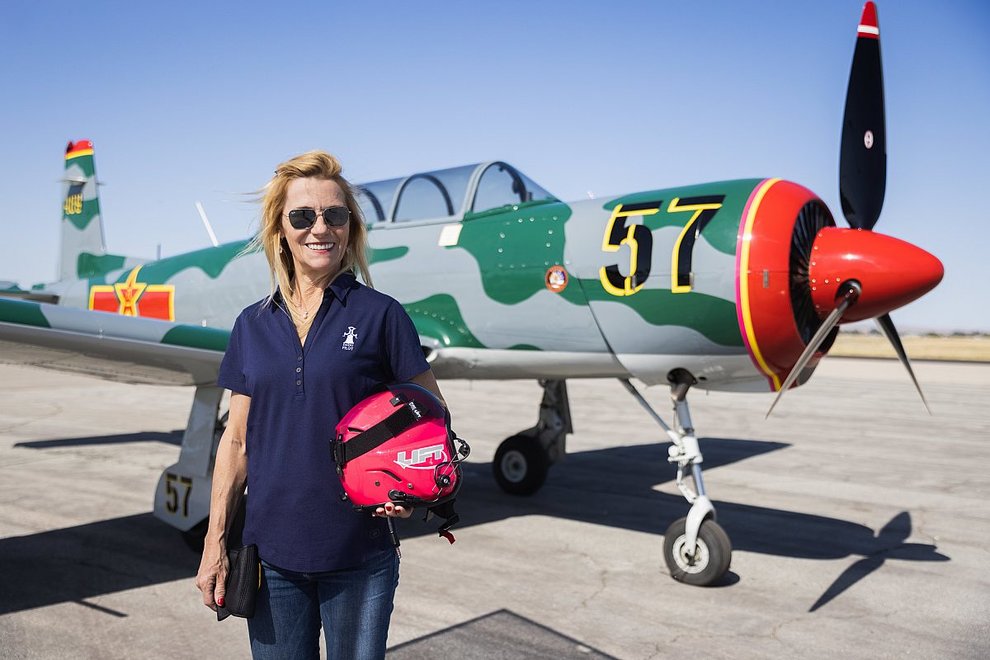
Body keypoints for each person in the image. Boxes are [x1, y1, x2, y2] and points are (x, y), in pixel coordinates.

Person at [195, 150, 445, 659]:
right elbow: (237, 442)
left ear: (350, 228)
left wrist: (412, 487)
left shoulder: (381, 315)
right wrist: (214, 542)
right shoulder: (252, 324)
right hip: (270, 559)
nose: (320, 228)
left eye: (335, 215)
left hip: (360, 553)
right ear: (280, 230)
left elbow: (432, 417)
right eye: (303, 216)